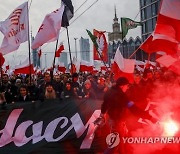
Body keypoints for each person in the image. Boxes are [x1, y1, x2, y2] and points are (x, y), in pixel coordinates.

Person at [95, 77, 157, 154]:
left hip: (114, 121)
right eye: (127, 86)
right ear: (122, 86)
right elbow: (134, 109)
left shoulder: (109, 91)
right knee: (115, 144)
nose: (127, 88)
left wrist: (103, 114)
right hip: (117, 122)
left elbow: (104, 105)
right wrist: (149, 117)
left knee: (120, 144)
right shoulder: (121, 96)